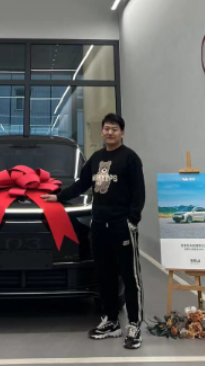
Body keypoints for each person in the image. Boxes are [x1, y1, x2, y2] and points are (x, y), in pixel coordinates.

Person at [41, 113, 145, 349]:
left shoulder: (130, 158)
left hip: (121, 226)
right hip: (98, 226)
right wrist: (58, 197)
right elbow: (81, 184)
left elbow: (139, 193)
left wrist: (133, 220)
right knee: (105, 275)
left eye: (115, 129)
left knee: (129, 276)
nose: (110, 132)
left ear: (122, 133)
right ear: (101, 132)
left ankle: (134, 325)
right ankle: (111, 321)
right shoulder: (97, 158)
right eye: (106, 128)